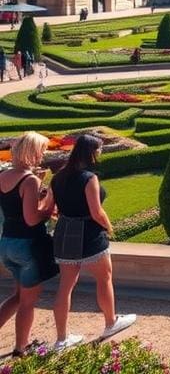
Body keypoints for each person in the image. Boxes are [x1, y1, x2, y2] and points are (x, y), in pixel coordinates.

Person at [51, 134, 136, 351]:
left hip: (65, 231)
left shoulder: (58, 176)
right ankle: (110, 322)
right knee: (104, 278)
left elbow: (51, 208)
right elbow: (96, 212)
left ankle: (61, 339)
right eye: (98, 150)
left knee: (65, 287)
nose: (100, 153)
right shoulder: (89, 178)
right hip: (88, 234)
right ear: (91, 152)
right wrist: (109, 226)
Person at [0, 132, 57, 357]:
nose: (43, 154)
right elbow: (32, 218)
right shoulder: (29, 180)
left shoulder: (3, 176)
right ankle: (20, 348)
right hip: (26, 246)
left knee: (16, 296)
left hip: (6, 243)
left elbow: (16, 210)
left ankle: (21, 345)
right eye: (41, 150)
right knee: (27, 302)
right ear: (31, 152)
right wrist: (50, 203)